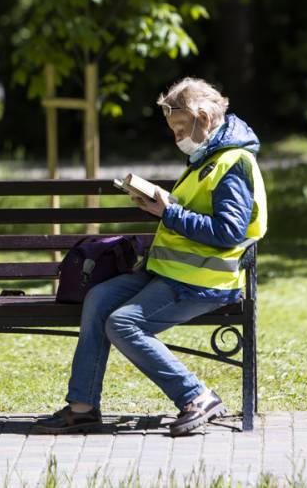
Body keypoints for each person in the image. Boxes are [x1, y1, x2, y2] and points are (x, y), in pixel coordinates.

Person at [32, 77, 268, 436]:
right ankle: (82, 408)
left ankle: (197, 396)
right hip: (170, 274)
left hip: (203, 282)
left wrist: (167, 213)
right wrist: (162, 203)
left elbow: (228, 233)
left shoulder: (232, 163)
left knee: (123, 323)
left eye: (180, 128)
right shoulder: (207, 157)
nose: (177, 138)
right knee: (99, 298)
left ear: (204, 119)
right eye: (173, 130)